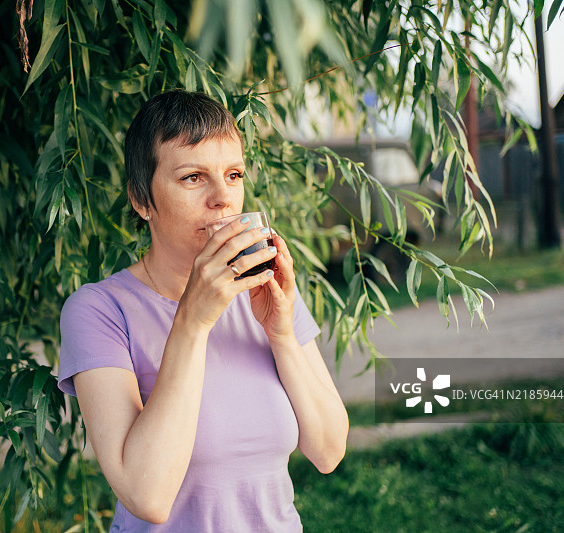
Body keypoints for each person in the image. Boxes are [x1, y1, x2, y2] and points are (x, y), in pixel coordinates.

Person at [58, 89, 348, 532]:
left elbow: (328, 452)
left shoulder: (265, 292)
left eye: (234, 174)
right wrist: (193, 321)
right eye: (193, 177)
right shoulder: (100, 311)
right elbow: (147, 496)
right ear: (141, 200)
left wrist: (282, 334)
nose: (223, 198)